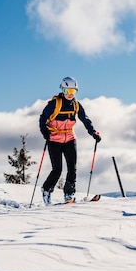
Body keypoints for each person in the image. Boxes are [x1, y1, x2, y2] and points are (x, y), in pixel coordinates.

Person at [39, 76, 101, 204]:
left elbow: (85, 119)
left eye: (73, 91)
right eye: (68, 91)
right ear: (62, 90)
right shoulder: (54, 104)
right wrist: (45, 132)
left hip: (70, 138)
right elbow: (42, 118)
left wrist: (93, 132)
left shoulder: (76, 105)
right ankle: (46, 190)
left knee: (72, 168)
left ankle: (69, 195)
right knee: (57, 169)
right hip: (54, 139)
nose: (70, 94)